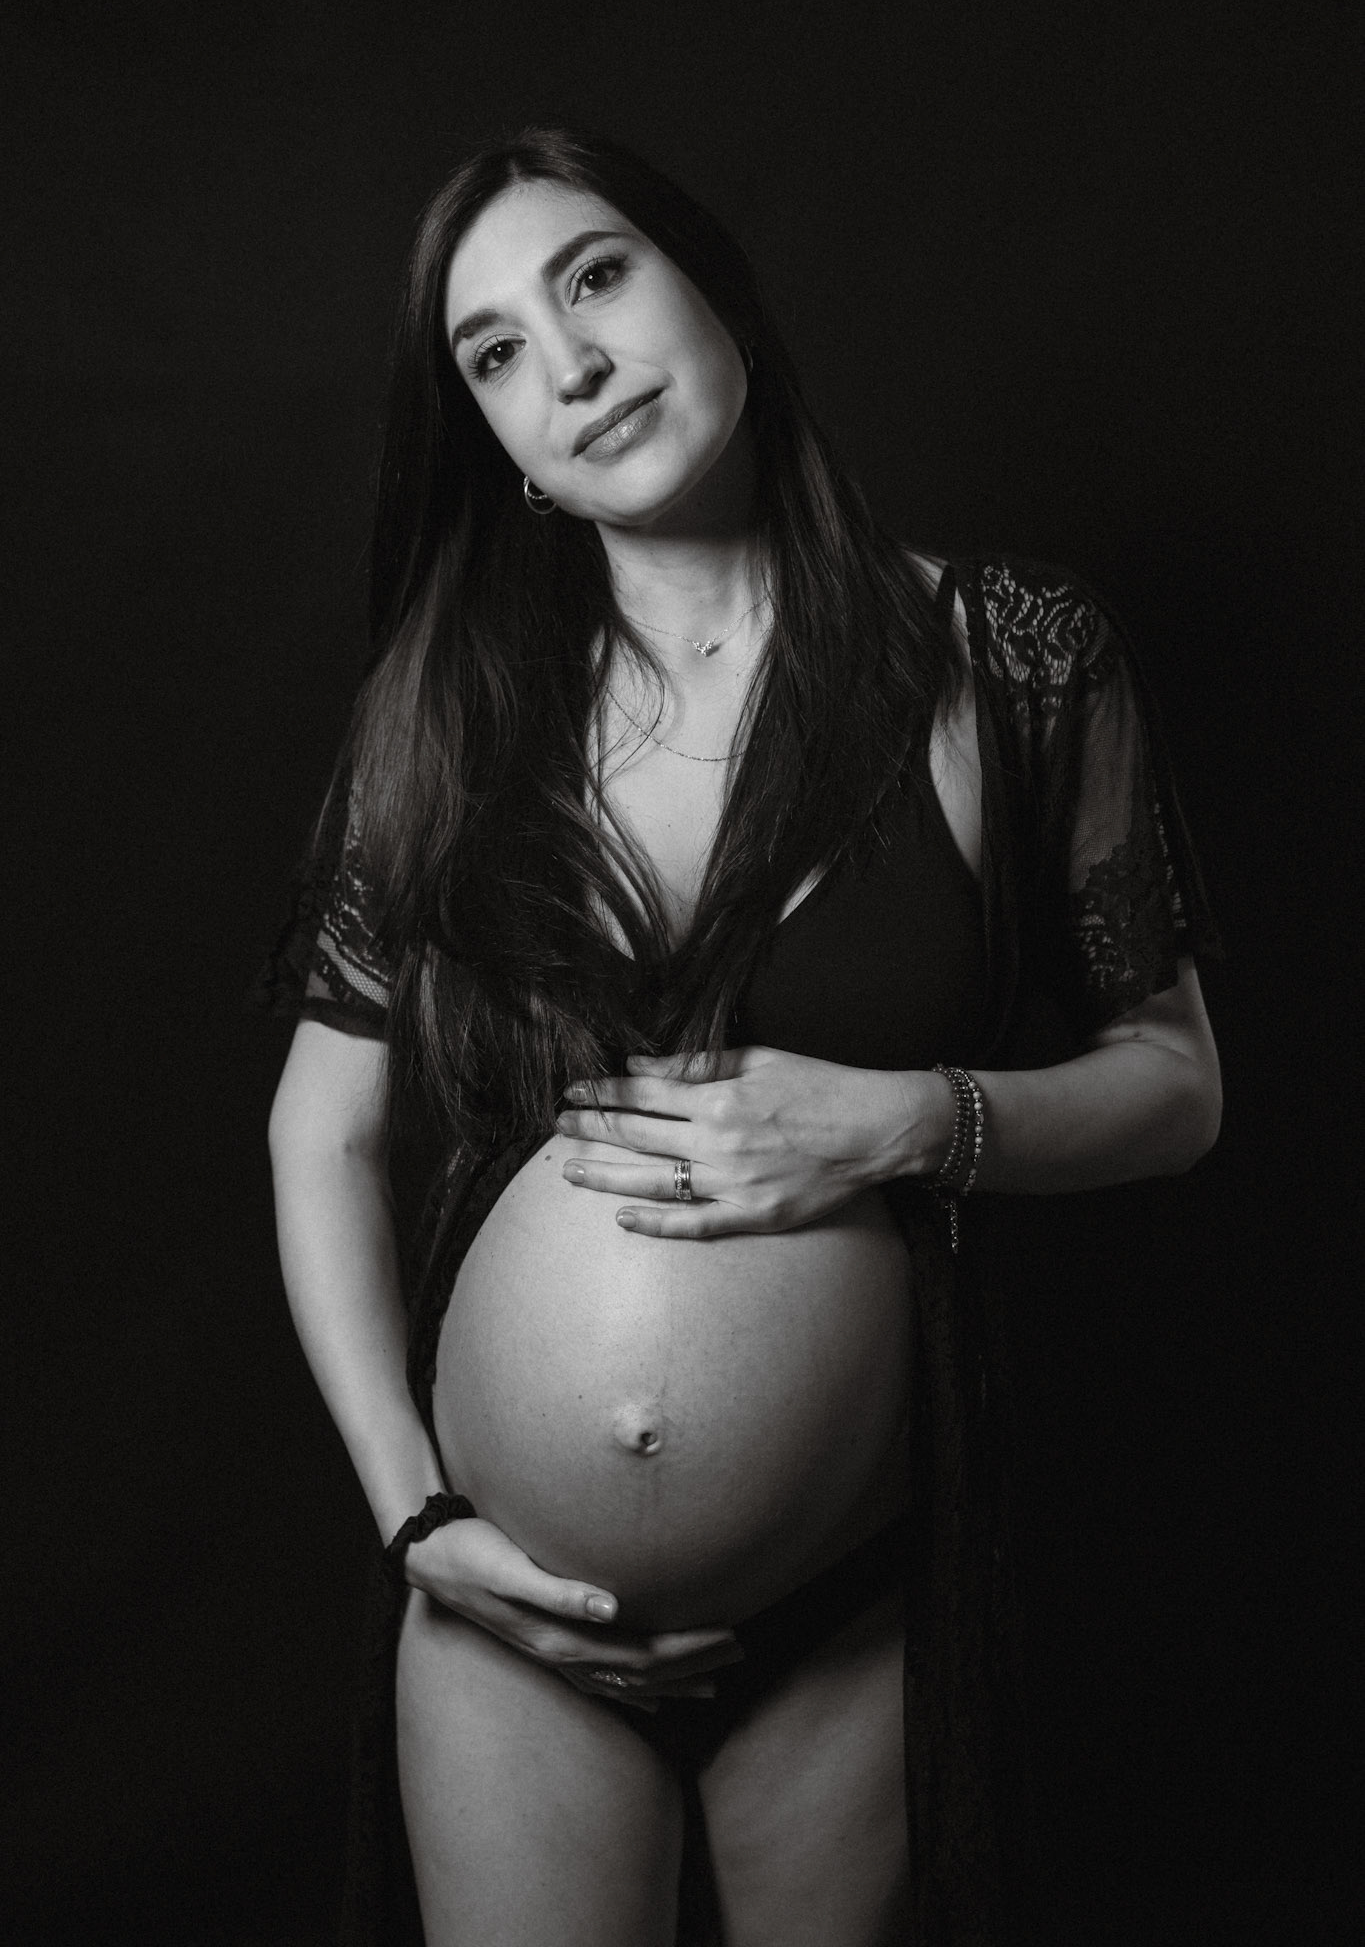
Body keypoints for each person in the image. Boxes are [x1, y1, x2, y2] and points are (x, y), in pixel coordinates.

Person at [263, 125, 1223, 1947]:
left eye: (596, 277)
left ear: (717, 291)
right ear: (502, 444)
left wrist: (905, 1122)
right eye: (495, 352)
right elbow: (321, 1131)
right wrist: (416, 1521)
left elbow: (1177, 1089)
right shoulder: (447, 716)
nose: (571, 365)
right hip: (508, 1619)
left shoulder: (1011, 656)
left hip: (845, 1600)